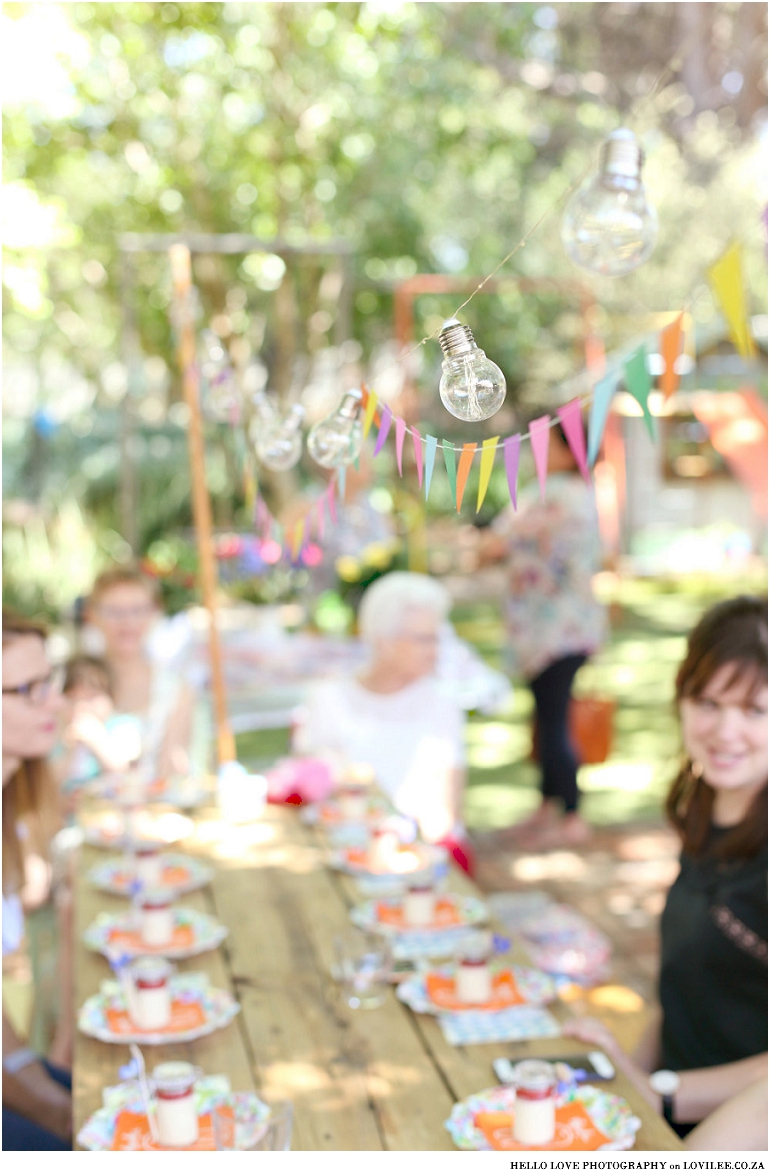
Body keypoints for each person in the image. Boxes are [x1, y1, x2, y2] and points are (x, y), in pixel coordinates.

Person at [564, 596, 767, 1140]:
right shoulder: (707, 811)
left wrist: (662, 1092)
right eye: (708, 702)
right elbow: (685, 988)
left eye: (755, 710)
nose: (726, 731)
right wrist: (630, 1077)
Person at [479, 414, 607, 849]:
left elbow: (491, 546)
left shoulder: (551, 496)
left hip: (554, 632)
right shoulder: (579, 494)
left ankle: (569, 813)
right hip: (563, 629)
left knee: (552, 721)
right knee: (547, 718)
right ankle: (550, 807)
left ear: (567, 451)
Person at [293, 572, 473, 872]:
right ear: (384, 641)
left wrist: (398, 842)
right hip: (338, 852)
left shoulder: (442, 705)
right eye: (423, 639)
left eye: (437, 638)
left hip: (417, 858)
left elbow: (444, 817)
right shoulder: (328, 698)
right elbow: (311, 790)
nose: (435, 650)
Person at [3, 610, 72, 1150]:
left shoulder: (13, 800)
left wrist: (33, 1069)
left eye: (50, 682)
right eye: (29, 690)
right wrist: (63, 1114)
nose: (55, 702)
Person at [83, 565, 197, 780]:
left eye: (138, 610)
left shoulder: (176, 690)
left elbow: (172, 773)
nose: (128, 622)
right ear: (92, 615)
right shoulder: (69, 684)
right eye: (114, 612)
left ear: (155, 612)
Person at [52, 656, 142, 819]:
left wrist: (96, 739)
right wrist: (70, 749)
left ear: (111, 697)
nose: (81, 705)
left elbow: (125, 774)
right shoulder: (59, 736)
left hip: (113, 818)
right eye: (72, 697)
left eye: (91, 697)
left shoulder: (123, 727)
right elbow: (51, 783)